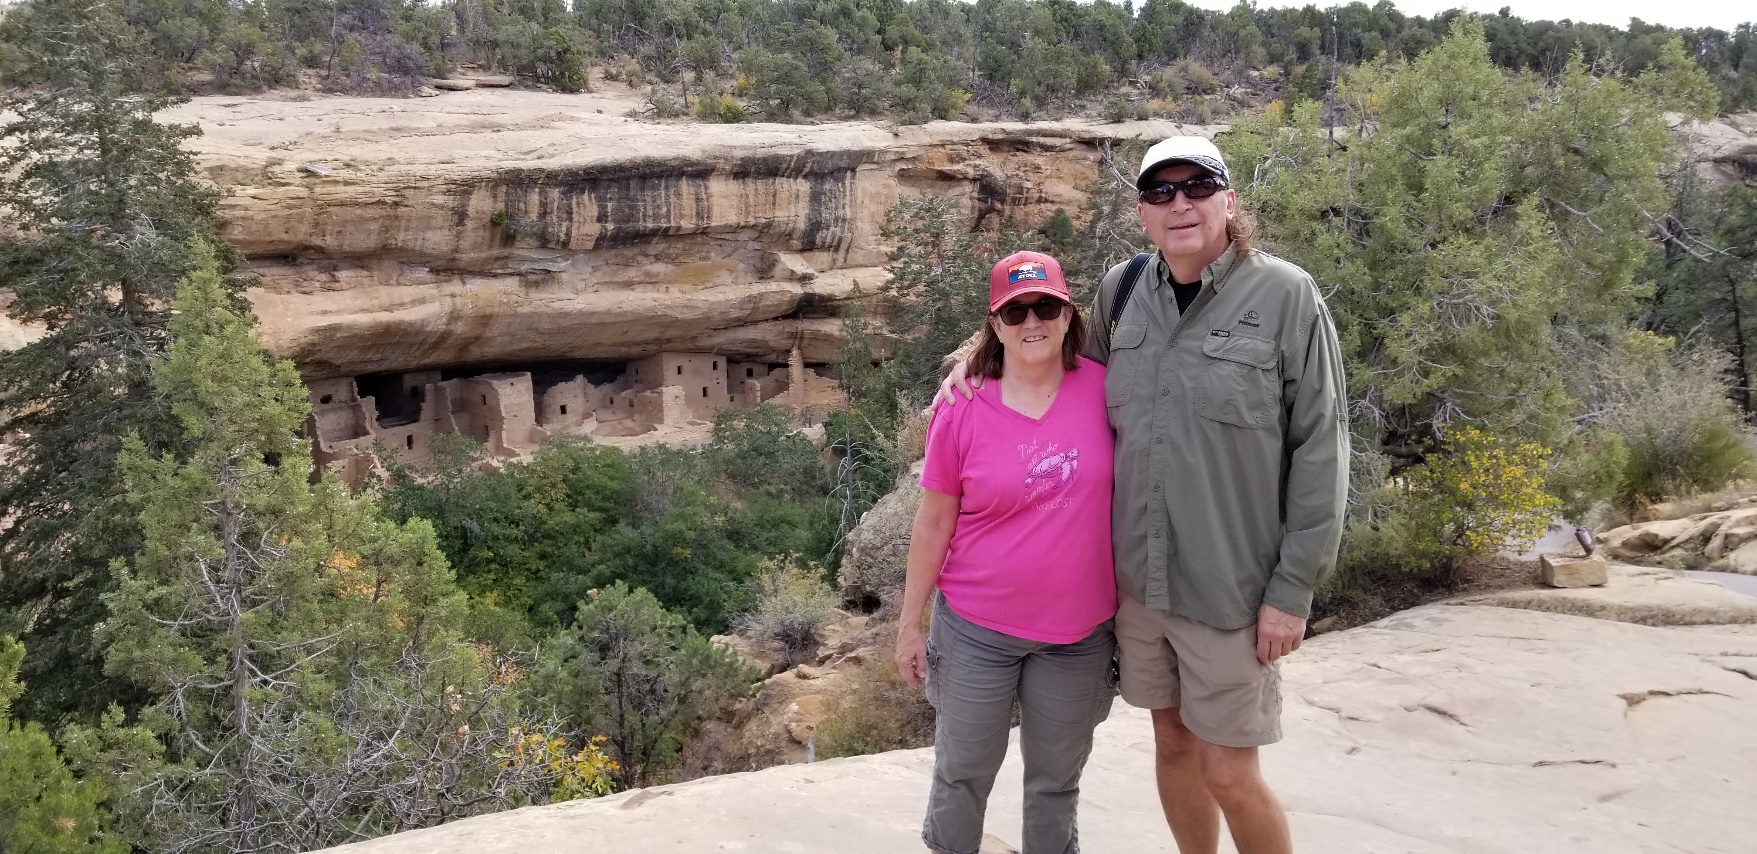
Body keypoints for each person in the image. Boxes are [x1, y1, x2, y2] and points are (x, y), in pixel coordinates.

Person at [939, 137, 1349, 854]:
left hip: (1230, 586)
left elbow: (1321, 448)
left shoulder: (1286, 296)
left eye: (1198, 186)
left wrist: (1292, 589)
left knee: (1230, 771)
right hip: (1138, 586)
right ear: (1141, 212)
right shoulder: (1122, 294)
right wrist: (965, 374)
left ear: (1228, 199)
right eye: (1161, 193)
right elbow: (1058, 380)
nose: (1180, 204)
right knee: (1171, 744)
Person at [896, 250, 1118, 854]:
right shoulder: (963, 405)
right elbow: (934, 521)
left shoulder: (1107, 390)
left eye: (1045, 306)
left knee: (1055, 784)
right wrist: (910, 625)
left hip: (1077, 635)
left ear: (1068, 314)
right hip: (976, 631)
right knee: (962, 775)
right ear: (995, 325)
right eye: (1015, 311)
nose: (1032, 322)